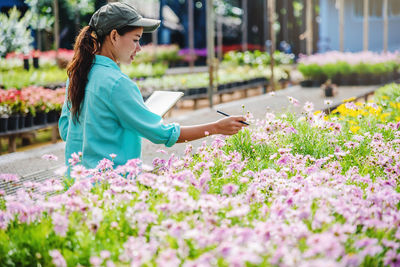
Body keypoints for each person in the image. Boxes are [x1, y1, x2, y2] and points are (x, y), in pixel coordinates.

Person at [59, 2, 247, 169]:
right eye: (135, 39)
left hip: (77, 184)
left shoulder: (77, 75)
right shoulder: (117, 83)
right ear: (114, 36)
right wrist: (216, 127)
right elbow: (161, 134)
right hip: (111, 187)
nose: (139, 48)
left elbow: (66, 130)